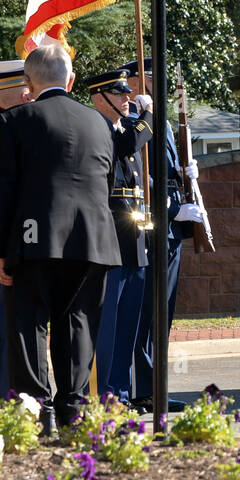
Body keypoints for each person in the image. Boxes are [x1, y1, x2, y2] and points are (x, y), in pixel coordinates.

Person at [0, 44, 122, 433]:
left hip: (34, 239)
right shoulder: (99, 122)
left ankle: (38, 408)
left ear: (27, 83)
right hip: (92, 239)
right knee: (78, 323)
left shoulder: (14, 120)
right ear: (72, 79)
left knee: (28, 323)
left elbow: (2, 192)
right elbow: (107, 180)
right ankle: (73, 407)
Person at [119, 58, 204, 414]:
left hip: (170, 231)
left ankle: (155, 387)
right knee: (145, 312)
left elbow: (167, 172)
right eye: (151, 77)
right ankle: (141, 390)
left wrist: (187, 172)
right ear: (136, 81)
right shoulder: (131, 123)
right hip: (150, 226)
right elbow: (140, 177)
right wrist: (172, 209)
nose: (158, 83)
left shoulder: (164, 123)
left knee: (162, 314)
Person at [84, 68, 154, 406]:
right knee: (108, 322)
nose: (127, 98)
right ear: (100, 97)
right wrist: (149, 114)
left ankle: (121, 392)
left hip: (134, 237)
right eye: (119, 92)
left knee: (128, 322)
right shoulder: (97, 128)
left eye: (128, 92)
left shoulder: (122, 126)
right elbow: (132, 141)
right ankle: (103, 393)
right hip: (111, 238)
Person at [0, 58, 32, 401]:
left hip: (33, 239)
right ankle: (4, 395)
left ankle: (22, 394)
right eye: (19, 89)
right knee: (7, 324)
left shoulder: (24, 123)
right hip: (7, 241)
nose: (27, 95)